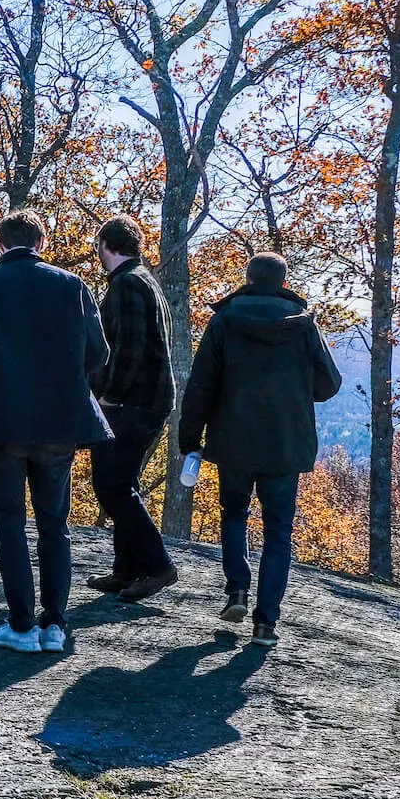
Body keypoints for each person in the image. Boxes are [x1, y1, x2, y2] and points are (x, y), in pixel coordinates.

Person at [0, 209, 110, 654]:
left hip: (0, 425)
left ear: (0, 243)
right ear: (43, 241)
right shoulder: (72, 286)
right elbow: (98, 354)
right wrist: (70, 394)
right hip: (59, 425)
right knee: (55, 523)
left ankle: (21, 625)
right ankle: (55, 624)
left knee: (10, 522)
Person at [178, 252, 342, 648]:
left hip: (234, 439)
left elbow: (200, 385)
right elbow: (329, 384)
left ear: (248, 279)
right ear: (284, 284)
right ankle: (265, 623)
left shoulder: (224, 321)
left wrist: (190, 439)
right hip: (285, 443)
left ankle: (236, 591)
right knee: (278, 533)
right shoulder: (304, 327)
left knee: (234, 514)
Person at [87, 215, 178, 603]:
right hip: (149, 399)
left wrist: (110, 394)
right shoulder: (145, 281)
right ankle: (125, 570)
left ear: (107, 245)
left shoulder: (126, 284)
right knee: (121, 483)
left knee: (111, 484)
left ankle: (157, 566)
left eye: (97, 246)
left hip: (133, 401)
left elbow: (129, 347)